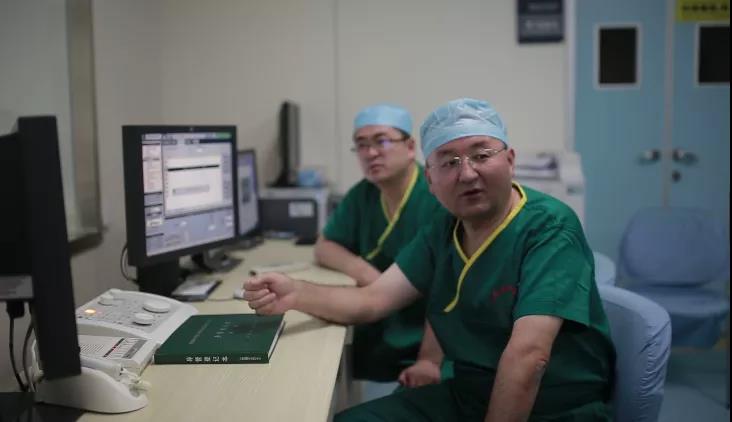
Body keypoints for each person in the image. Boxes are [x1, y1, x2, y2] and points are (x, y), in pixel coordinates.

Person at [244, 98, 615, 421]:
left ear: (510, 160)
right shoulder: (444, 228)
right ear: (431, 180)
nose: (467, 173)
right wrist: (296, 293)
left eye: (481, 155)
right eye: (449, 162)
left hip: (552, 406)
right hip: (468, 393)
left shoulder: (548, 227)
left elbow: (529, 356)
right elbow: (372, 300)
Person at [314, 103, 448, 385]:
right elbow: (324, 246)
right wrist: (366, 273)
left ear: (410, 147)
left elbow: (449, 289)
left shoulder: (438, 198)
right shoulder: (363, 194)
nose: (371, 153)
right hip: (376, 319)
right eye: (361, 145)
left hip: (425, 335)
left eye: (382, 141)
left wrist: (429, 360)